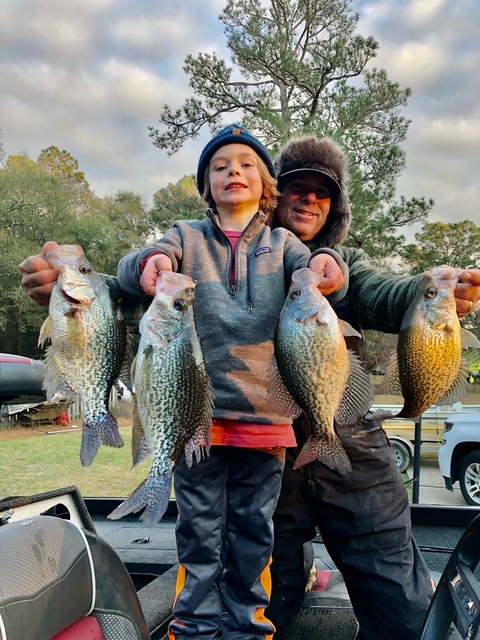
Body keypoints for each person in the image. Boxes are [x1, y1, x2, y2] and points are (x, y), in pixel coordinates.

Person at [19, 124, 348, 640]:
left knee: (252, 537)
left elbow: (322, 268)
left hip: (266, 423)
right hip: (196, 418)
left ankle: (248, 627)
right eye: (219, 166)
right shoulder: (185, 235)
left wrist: (331, 265)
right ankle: (192, 627)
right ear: (206, 184)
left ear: (266, 185)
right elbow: (139, 264)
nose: (231, 172)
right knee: (198, 533)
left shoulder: (285, 245)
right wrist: (150, 264)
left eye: (243, 164)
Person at [265, 134, 480, 640]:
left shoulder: (346, 266)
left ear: (334, 208)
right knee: (265, 607)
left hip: (354, 445)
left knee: (404, 614)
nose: (309, 198)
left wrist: (434, 291)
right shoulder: (241, 263)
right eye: (298, 186)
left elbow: (388, 291)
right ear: (277, 195)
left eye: (323, 191)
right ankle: (297, 564)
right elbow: (151, 287)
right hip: (266, 453)